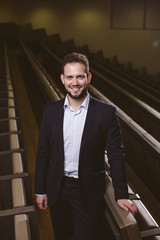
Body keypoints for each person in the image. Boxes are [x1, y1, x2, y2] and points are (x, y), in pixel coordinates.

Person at [35, 52, 137, 240]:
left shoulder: (106, 113)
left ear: (88, 77)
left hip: (88, 189)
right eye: (70, 77)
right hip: (57, 188)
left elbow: (116, 154)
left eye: (80, 76)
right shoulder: (51, 110)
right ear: (63, 79)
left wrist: (122, 194)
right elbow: (43, 153)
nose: (75, 82)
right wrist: (40, 189)